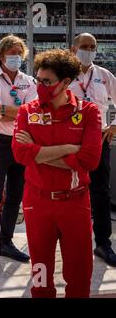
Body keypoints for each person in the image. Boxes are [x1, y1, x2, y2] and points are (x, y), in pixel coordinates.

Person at [12, 49, 102, 298]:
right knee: (40, 275)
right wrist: (68, 150)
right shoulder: (27, 111)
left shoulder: (89, 112)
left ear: (66, 83)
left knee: (80, 275)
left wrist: (38, 151)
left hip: (76, 203)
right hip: (36, 204)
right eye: (38, 79)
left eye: (46, 81)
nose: (39, 86)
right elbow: (21, 154)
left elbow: (89, 160)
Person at [0, 34, 37, 277]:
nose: (15, 58)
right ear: (1, 55)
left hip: (22, 140)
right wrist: (19, 112)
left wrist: (6, 109)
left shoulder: (29, 81)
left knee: (16, 196)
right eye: (10, 53)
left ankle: (6, 242)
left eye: (18, 53)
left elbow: (34, 114)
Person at [69, 33, 116, 267]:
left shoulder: (104, 76)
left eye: (93, 47)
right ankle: (71, 241)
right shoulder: (63, 75)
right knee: (70, 190)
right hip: (70, 141)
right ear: (73, 49)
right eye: (84, 46)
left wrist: (115, 125)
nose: (89, 50)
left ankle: (103, 243)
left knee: (100, 191)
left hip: (98, 139)